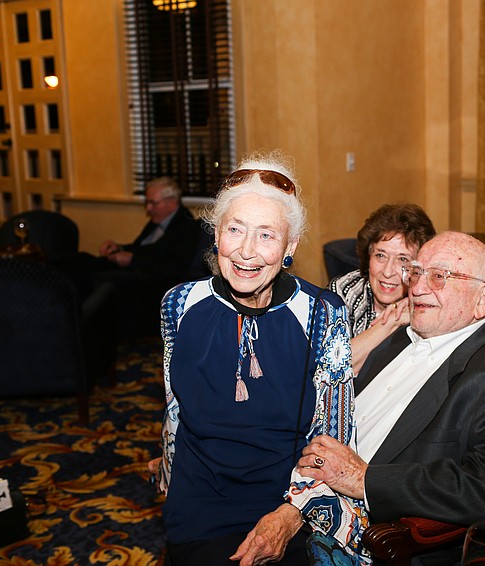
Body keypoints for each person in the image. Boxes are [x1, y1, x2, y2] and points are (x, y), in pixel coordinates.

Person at [234, 231, 485, 565]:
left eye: (439, 277)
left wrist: (363, 479)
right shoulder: (398, 336)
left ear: (482, 299)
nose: (418, 288)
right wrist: (295, 506)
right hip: (303, 489)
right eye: (416, 273)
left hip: (382, 537)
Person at [148, 151, 363, 566]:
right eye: (235, 229)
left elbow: (334, 434)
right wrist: (169, 463)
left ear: (290, 246)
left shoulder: (323, 312)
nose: (247, 251)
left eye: (266, 235)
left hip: (287, 498)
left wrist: (289, 515)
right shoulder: (178, 304)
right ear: (216, 236)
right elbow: (175, 406)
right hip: (199, 499)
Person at [328, 203, 436, 374]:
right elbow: (332, 365)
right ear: (368, 256)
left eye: (403, 260)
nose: (387, 272)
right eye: (380, 255)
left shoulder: (429, 300)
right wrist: (392, 319)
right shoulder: (346, 290)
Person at [97, 176, 203, 286]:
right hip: (137, 270)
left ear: (171, 203)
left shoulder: (186, 226)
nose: (148, 208)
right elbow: (141, 247)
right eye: (147, 203)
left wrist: (133, 260)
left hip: (154, 281)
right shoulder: (157, 220)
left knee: (104, 279)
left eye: (153, 203)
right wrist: (119, 248)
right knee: (85, 261)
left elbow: (174, 267)